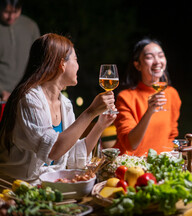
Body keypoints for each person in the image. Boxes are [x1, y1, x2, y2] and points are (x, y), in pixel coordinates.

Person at [0, 33, 116, 185]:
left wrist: (99, 125)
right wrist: (90, 112)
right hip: (16, 189)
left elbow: (71, 156)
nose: (78, 66)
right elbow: (53, 150)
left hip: (49, 185)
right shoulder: (28, 100)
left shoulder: (65, 104)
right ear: (62, 64)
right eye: (76, 59)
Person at [113, 38, 181, 156]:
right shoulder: (125, 97)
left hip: (160, 165)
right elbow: (130, 145)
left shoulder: (171, 94)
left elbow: (171, 136)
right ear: (138, 65)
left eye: (161, 56)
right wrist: (149, 111)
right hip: (131, 166)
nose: (157, 62)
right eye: (149, 57)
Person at [0, 0, 40, 102]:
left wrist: (29, 88)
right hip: (2, 97)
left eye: (15, 12)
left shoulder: (30, 26)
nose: (11, 17)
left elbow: (38, 60)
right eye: (7, 12)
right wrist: (2, 90)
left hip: (24, 94)